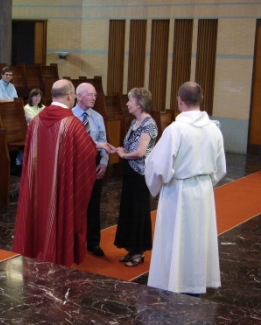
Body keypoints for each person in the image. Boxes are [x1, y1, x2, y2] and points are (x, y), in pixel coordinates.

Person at [12, 79, 112, 267]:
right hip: (60, 189)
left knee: (38, 218)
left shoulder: (36, 121)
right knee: (56, 219)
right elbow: (87, 154)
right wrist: (98, 146)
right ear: (69, 95)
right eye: (74, 95)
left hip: (38, 187)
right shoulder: (72, 124)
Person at [145, 81, 226, 296]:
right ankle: (196, 282)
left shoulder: (176, 130)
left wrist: (155, 186)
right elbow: (221, 168)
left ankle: (173, 282)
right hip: (204, 190)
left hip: (178, 191)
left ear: (179, 101)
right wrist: (205, 182)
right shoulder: (214, 129)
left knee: (176, 238)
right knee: (198, 239)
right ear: (201, 100)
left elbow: (158, 166)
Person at [110, 87, 157, 267]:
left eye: (130, 100)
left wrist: (122, 155)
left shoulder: (148, 124)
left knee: (138, 211)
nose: (127, 103)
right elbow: (129, 148)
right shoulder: (134, 122)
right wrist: (118, 150)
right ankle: (131, 249)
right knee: (129, 210)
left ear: (139, 104)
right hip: (130, 173)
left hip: (140, 175)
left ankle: (139, 252)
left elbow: (139, 152)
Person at [72, 82, 108, 257]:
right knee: (76, 205)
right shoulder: (69, 116)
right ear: (79, 96)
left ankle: (93, 242)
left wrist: (104, 162)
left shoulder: (97, 117)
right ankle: (73, 241)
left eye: (95, 95)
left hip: (94, 162)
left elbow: (103, 141)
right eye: (91, 94)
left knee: (94, 204)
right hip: (75, 164)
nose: (94, 98)